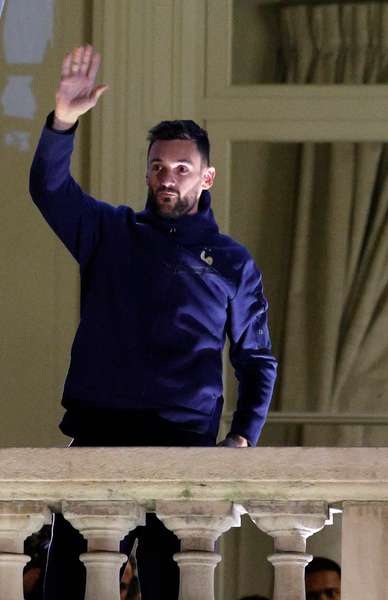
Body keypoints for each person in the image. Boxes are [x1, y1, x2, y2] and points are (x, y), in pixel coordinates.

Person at [30, 45, 278, 599]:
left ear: (207, 177)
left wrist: (243, 436)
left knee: (175, 590)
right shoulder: (109, 232)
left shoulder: (233, 261)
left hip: (183, 446)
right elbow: (49, 190)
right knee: (68, 588)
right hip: (97, 437)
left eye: (182, 169)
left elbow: (256, 357)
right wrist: (63, 121)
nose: (168, 178)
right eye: (158, 167)